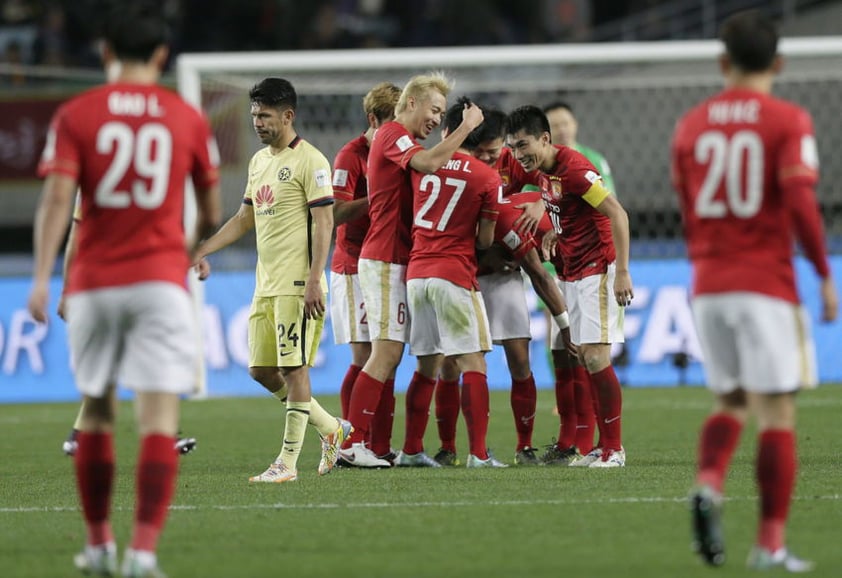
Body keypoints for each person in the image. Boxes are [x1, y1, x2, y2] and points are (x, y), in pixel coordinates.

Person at [27, 5, 222, 577]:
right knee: (159, 419)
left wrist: (42, 278)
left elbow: (60, 204)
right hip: (159, 284)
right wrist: (187, 255)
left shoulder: (76, 114)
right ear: (162, 56)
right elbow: (210, 209)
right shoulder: (186, 117)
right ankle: (142, 553)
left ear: (105, 52)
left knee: (99, 413)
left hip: (93, 285)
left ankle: (96, 545)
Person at [671, 10, 838, 571]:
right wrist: (822, 272)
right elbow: (801, 205)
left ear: (723, 61)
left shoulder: (691, 126)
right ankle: (770, 543)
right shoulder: (786, 119)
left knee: (730, 401)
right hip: (765, 282)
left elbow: (688, 210)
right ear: (779, 62)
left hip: (709, 283)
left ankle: (710, 482)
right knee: (777, 413)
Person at [193, 77, 352, 484]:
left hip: (298, 284)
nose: (257, 123)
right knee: (262, 370)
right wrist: (202, 249)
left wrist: (316, 279)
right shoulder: (260, 161)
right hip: (266, 283)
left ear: (288, 115)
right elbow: (245, 218)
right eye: (253, 115)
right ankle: (332, 429)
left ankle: (287, 463)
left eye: (264, 115)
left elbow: (324, 222)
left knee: (294, 368)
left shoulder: (312, 161)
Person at [337, 72, 484, 468]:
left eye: (442, 113)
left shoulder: (404, 140)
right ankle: (351, 442)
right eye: (434, 109)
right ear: (412, 102)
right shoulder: (392, 134)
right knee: (384, 351)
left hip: (401, 258)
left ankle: (370, 443)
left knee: (393, 353)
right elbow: (430, 162)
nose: (437, 118)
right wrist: (465, 129)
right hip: (384, 256)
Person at [432, 108, 576, 467]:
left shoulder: (516, 160)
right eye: (480, 151)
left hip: (505, 268)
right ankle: (448, 447)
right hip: (463, 271)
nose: (487, 159)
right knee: (452, 364)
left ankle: (524, 446)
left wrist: (540, 206)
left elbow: (557, 179)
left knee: (520, 358)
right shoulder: (452, 164)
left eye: (493, 153)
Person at [507, 104, 633, 468]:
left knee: (595, 355)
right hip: (571, 271)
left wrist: (622, 271)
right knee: (580, 355)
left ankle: (614, 449)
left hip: (599, 268)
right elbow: (569, 214)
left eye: (524, 145)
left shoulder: (575, 169)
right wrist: (553, 236)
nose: (519, 155)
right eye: (514, 148)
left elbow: (617, 213)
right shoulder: (544, 172)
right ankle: (599, 446)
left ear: (545, 139)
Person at [407, 96, 507, 468]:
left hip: (417, 274)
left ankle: (412, 448)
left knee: (426, 366)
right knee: (474, 364)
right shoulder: (487, 176)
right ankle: (478, 454)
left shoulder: (421, 164)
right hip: (453, 274)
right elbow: (484, 240)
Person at [57, 198, 198, 458]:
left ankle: (80, 437)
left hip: (125, 282)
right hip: (124, 282)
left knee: (131, 365)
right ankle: (81, 436)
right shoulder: (151, 167)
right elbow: (75, 229)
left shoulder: (98, 168)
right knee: (129, 366)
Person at [330, 81, 401, 465]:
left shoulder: (399, 152)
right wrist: (378, 198)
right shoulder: (350, 156)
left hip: (386, 263)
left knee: (388, 355)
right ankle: (349, 444)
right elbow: (334, 213)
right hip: (354, 265)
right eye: (391, 121)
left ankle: (379, 446)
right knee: (365, 357)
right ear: (373, 119)